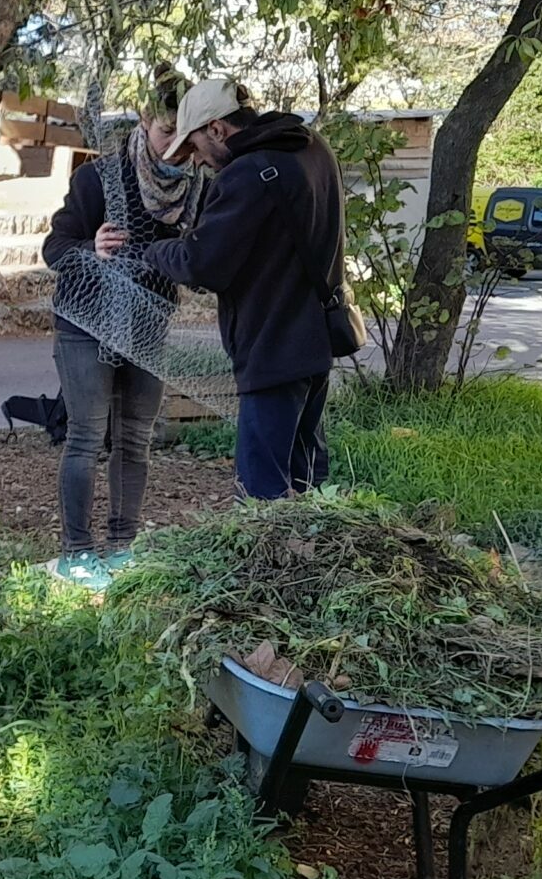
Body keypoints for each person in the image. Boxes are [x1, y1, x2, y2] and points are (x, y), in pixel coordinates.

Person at [114, 78, 348, 499]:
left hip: (271, 348)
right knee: (310, 483)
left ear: (218, 130)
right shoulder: (314, 148)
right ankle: (316, 560)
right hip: (317, 342)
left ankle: (272, 566)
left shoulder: (247, 174)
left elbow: (202, 266)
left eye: (197, 148)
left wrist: (150, 249)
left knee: (260, 495)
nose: (200, 163)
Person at [39, 77, 197, 584]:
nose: (176, 147)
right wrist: (91, 248)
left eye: (186, 136)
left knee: (135, 439)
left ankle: (123, 547)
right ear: (143, 122)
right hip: (87, 324)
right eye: (166, 132)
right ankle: (76, 552)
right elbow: (54, 249)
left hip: (148, 325)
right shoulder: (97, 179)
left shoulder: (197, 189)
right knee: (86, 437)